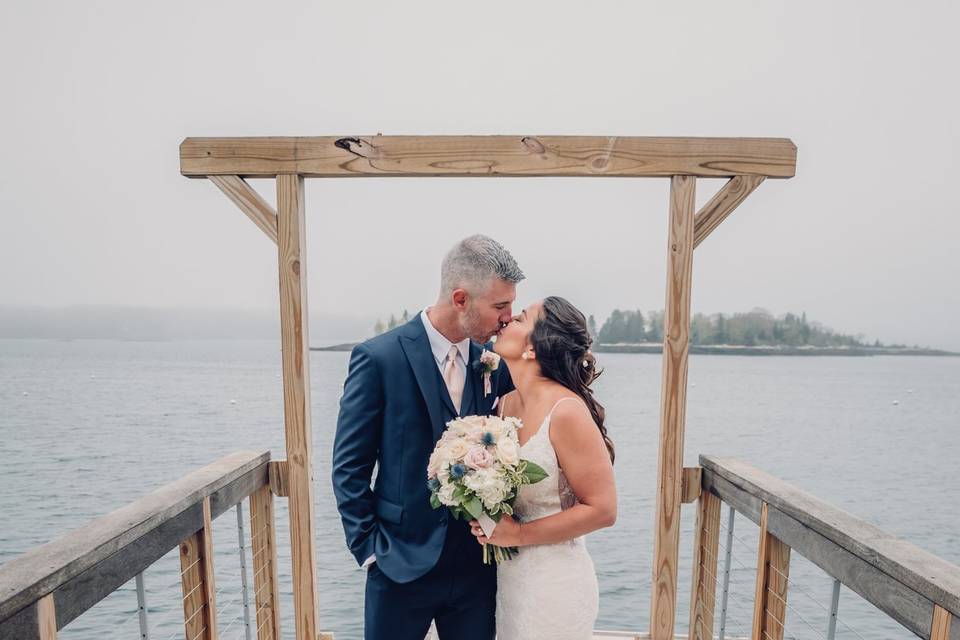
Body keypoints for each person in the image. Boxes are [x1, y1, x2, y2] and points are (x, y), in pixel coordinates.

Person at [332, 234, 523, 640]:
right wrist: (369, 551)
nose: (508, 317)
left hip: (476, 571)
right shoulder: (379, 357)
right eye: (500, 306)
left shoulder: (491, 363)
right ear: (460, 299)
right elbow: (350, 466)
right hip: (398, 564)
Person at [469, 296, 617, 639]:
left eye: (521, 318)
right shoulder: (505, 402)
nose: (508, 320)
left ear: (534, 349)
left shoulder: (566, 411)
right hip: (510, 580)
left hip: (555, 584)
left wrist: (518, 534)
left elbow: (604, 510)